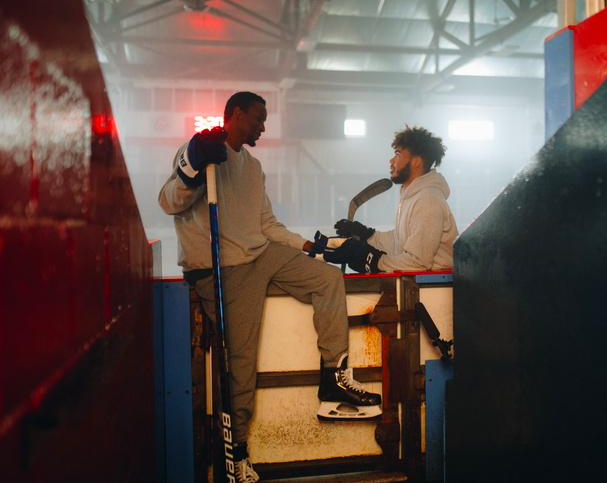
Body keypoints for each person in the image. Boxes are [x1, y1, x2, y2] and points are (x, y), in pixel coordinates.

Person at [158, 92, 381, 482]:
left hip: (259, 253)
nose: (263, 126)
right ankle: (237, 456)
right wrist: (192, 164)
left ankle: (333, 380)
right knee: (241, 366)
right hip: (221, 268)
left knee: (327, 277)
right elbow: (168, 202)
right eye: (258, 119)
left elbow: (266, 225)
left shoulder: (253, 165)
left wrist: (314, 246)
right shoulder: (201, 154)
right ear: (237, 114)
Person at [332, 125, 458, 273]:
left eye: (398, 155)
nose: (391, 161)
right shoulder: (413, 196)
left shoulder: (428, 201)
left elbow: (417, 262)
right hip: (420, 288)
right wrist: (367, 235)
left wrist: (375, 262)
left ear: (416, 162)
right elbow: (399, 242)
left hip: (432, 291)